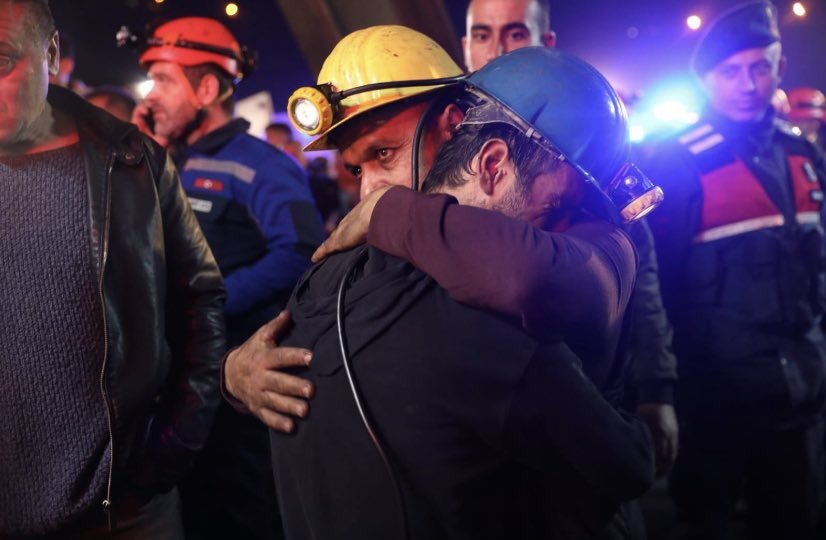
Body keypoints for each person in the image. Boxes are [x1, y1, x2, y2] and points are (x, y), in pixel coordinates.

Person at [270, 43, 655, 540]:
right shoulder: (467, 316)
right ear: (492, 164)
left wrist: (394, 212)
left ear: (454, 125)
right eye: (359, 167)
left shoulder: (346, 276)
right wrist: (231, 373)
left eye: (385, 152)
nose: (369, 189)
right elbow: (624, 463)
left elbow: (545, 275)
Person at [0, 1, 226, 537]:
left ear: (50, 53)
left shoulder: (132, 164)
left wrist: (174, 443)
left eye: (1, 60)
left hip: (122, 511)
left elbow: (200, 300)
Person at [462, 0, 681, 479]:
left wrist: (656, 391)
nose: (497, 50)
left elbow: (639, 287)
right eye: (482, 35)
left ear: (548, 43)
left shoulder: (590, 149)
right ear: (464, 46)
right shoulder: (436, 139)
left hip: (581, 408)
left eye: (516, 34)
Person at [130, 16, 324, 540]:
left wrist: (206, 302)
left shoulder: (260, 166)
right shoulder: (172, 159)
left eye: (165, 80)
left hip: (237, 389)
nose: (153, 96)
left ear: (208, 88)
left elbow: (301, 251)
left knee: (237, 511)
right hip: (183, 378)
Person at [644, 2, 826, 539]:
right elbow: (655, 289)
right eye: (730, 71)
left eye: (760, 66)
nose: (748, 83)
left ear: (779, 66)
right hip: (716, 403)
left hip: (802, 403)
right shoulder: (675, 161)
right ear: (705, 79)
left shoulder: (804, 154)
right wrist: (658, 392)